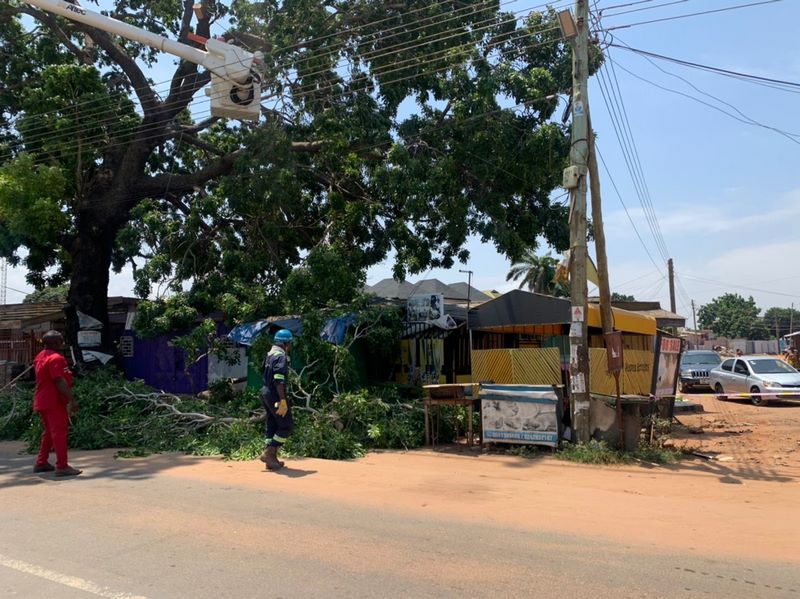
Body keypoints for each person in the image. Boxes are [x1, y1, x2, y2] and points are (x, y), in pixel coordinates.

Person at [32, 331, 82, 477]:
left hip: (42, 400)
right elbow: (59, 380)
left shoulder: (40, 356)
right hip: (53, 400)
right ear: (54, 343)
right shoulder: (56, 358)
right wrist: (72, 400)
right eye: (60, 341)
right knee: (59, 433)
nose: (63, 344)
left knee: (48, 432)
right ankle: (62, 466)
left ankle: (41, 463)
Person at [259, 329, 294, 471]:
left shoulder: (270, 354)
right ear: (286, 343)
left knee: (272, 424)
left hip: (265, 392)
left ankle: (271, 460)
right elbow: (279, 380)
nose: (291, 346)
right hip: (274, 394)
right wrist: (282, 400)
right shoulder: (280, 356)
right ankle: (269, 452)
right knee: (286, 425)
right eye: (290, 343)